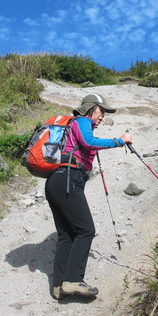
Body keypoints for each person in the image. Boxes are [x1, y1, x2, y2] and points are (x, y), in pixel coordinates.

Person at [45, 93, 132, 300]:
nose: (102, 116)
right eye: (101, 111)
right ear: (91, 108)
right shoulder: (82, 121)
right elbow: (87, 141)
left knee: (67, 234)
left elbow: (84, 144)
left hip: (55, 181)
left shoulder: (74, 125)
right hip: (68, 178)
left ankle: (59, 286)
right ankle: (74, 280)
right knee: (86, 230)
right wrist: (120, 140)